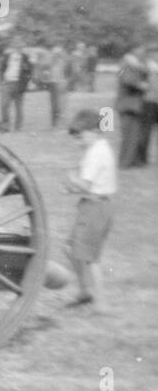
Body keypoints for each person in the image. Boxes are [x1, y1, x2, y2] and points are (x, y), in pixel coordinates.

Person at [62, 108, 116, 308]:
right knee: (71, 248)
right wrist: (73, 188)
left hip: (96, 207)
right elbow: (87, 185)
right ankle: (85, 292)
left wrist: (72, 180)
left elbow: (85, 184)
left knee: (90, 257)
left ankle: (101, 303)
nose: (79, 143)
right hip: (92, 204)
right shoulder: (98, 149)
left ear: (94, 130)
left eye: (81, 137)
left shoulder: (97, 152)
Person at [115, 42, 149, 169]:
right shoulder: (124, 63)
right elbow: (124, 78)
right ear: (134, 49)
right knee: (128, 135)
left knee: (134, 135)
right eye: (141, 49)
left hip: (134, 104)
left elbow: (146, 71)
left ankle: (131, 161)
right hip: (127, 104)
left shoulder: (137, 63)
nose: (143, 52)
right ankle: (124, 163)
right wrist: (141, 85)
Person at [0, 33, 33, 132]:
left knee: (18, 107)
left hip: (19, 85)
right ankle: (5, 126)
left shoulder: (25, 57)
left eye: (19, 45)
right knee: (4, 105)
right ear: (13, 45)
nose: (18, 46)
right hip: (7, 84)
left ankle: (18, 127)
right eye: (15, 44)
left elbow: (29, 71)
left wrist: (25, 83)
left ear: (22, 46)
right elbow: (1, 69)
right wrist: (2, 81)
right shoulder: (7, 56)